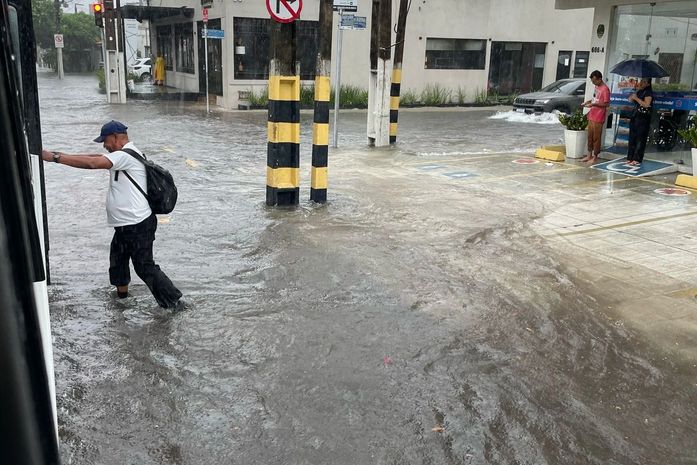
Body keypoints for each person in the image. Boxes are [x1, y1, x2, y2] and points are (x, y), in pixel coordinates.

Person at [41, 120, 183, 309]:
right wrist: (57, 153)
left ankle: (174, 303)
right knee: (118, 262)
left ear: (115, 137)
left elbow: (93, 163)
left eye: (105, 141)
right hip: (125, 224)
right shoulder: (122, 155)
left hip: (138, 223)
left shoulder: (126, 155)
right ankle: (121, 301)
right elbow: (94, 156)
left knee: (144, 267)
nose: (104, 145)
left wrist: (55, 158)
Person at [580, 70, 610, 164]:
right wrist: (588, 102)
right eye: (592, 81)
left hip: (599, 117)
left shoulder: (605, 89)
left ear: (599, 79)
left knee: (596, 138)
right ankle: (589, 155)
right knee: (590, 136)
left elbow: (606, 104)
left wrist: (593, 104)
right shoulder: (597, 87)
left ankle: (595, 156)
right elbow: (595, 99)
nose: (593, 83)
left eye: (594, 81)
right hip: (592, 115)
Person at [626, 78, 654, 166]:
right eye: (641, 81)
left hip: (643, 118)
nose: (641, 83)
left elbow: (647, 104)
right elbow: (630, 100)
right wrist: (633, 96)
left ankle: (637, 158)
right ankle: (630, 157)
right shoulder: (639, 91)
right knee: (632, 137)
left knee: (640, 138)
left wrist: (637, 98)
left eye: (644, 82)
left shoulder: (648, 92)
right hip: (635, 116)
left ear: (648, 84)